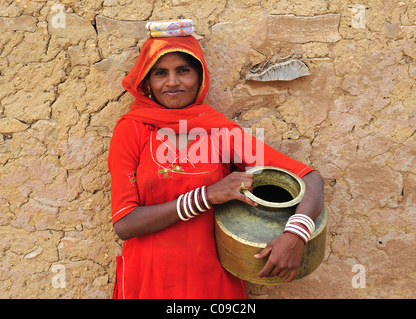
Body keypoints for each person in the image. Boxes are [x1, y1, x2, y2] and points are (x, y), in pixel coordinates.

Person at [108, 21, 324, 299]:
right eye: (160, 73)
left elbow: (310, 179)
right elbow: (125, 223)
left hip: (212, 280)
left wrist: (295, 236)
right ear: (147, 82)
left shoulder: (221, 133)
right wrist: (208, 195)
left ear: (199, 77)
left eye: (183, 71)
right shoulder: (133, 129)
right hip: (148, 277)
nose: (172, 81)